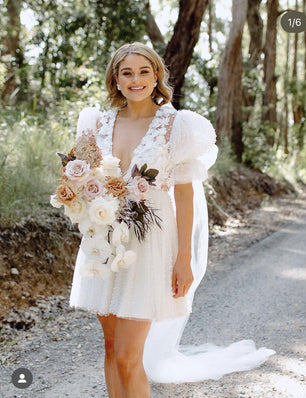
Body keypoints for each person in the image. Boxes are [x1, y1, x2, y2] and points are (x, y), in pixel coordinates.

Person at [69, 42, 274, 397]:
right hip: (103, 239)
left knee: (129, 357)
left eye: (144, 71)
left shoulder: (177, 127)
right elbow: (82, 180)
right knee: (110, 349)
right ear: (115, 79)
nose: (136, 80)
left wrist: (183, 258)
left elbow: (185, 194)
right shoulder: (96, 123)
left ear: (157, 76)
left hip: (150, 243)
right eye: (127, 72)